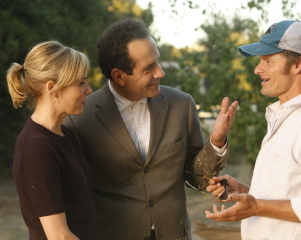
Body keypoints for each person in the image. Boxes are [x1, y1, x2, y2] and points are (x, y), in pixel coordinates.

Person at [63, 17, 238, 240]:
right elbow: (73, 195)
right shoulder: (79, 118)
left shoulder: (181, 104)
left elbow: (198, 178)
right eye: (149, 68)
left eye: (158, 62)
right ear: (119, 76)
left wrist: (217, 140)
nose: (160, 72)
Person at [205, 20, 301, 239]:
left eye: (268, 60)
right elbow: (291, 192)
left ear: (297, 64)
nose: (257, 69)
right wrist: (247, 192)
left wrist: (257, 206)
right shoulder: (286, 118)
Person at [7, 41, 100, 240]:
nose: (89, 90)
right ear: (53, 88)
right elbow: (59, 236)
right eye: (81, 83)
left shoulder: (66, 134)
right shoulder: (37, 148)